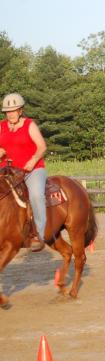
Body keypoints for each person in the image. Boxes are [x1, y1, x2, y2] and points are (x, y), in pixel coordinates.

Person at [0, 93, 48, 252]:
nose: (11, 114)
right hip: (8, 171)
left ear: (21, 110)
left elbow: (42, 146)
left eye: (14, 110)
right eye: (8, 111)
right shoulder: (1, 126)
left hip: (31, 170)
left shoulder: (29, 125)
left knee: (35, 195)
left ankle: (39, 233)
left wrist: (33, 160)